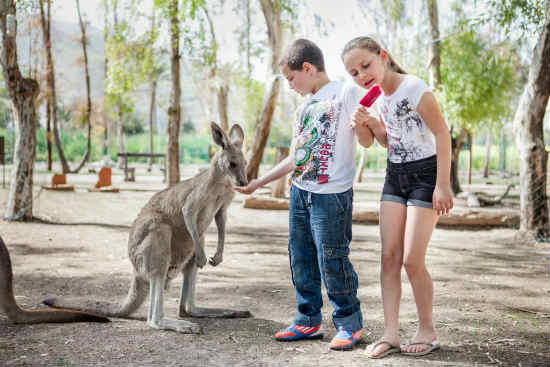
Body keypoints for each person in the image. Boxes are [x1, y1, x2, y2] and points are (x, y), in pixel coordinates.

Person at [234, 38, 369, 351]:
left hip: (331, 195)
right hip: (300, 191)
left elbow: (365, 139)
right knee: (301, 258)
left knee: (332, 257)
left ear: (307, 68)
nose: (291, 86)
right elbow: (297, 156)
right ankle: (307, 319)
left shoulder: (346, 92)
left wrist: (364, 123)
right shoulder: (305, 107)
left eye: (291, 78)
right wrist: (258, 183)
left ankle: (350, 323)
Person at [341, 36, 453, 358]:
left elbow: (442, 133)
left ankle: (427, 330)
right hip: (395, 177)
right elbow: (379, 143)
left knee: (411, 260)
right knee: (389, 257)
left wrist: (442, 185)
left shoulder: (415, 89)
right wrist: (368, 123)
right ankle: (390, 334)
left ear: (384, 57)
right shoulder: (379, 100)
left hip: (425, 176)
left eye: (366, 66)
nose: (362, 76)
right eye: (354, 73)